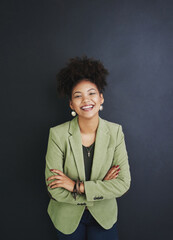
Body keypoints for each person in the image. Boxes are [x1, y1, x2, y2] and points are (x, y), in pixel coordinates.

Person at [45, 56, 131, 240]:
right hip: (66, 217)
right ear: (71, 104)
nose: (86, 100)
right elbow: (54, 188)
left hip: (104, 216)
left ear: (101, 98)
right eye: (78, 95)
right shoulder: (57, 135)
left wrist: (77, 186)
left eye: (92, 93)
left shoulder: (115, 132)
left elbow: (123, 183)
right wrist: (100, 188)